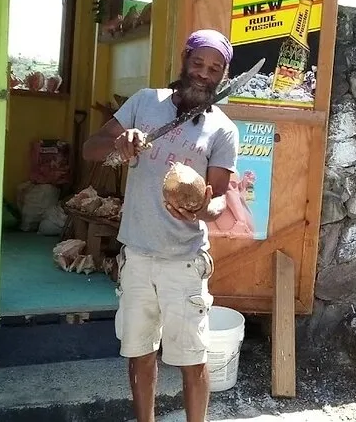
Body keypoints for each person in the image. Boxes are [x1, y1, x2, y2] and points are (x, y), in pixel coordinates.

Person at [82, 29, 239, 422]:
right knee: (139, 353)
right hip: (137, 256)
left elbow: (220, 200)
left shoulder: (223, 129)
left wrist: (202, 210)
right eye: (198, 63)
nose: (204, 74)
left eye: (214, 69)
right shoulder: (144, 103)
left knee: (192, 359)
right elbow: (90, 148)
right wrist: (119, 143)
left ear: (222, 76)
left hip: (185, 262)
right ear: (185, 60)